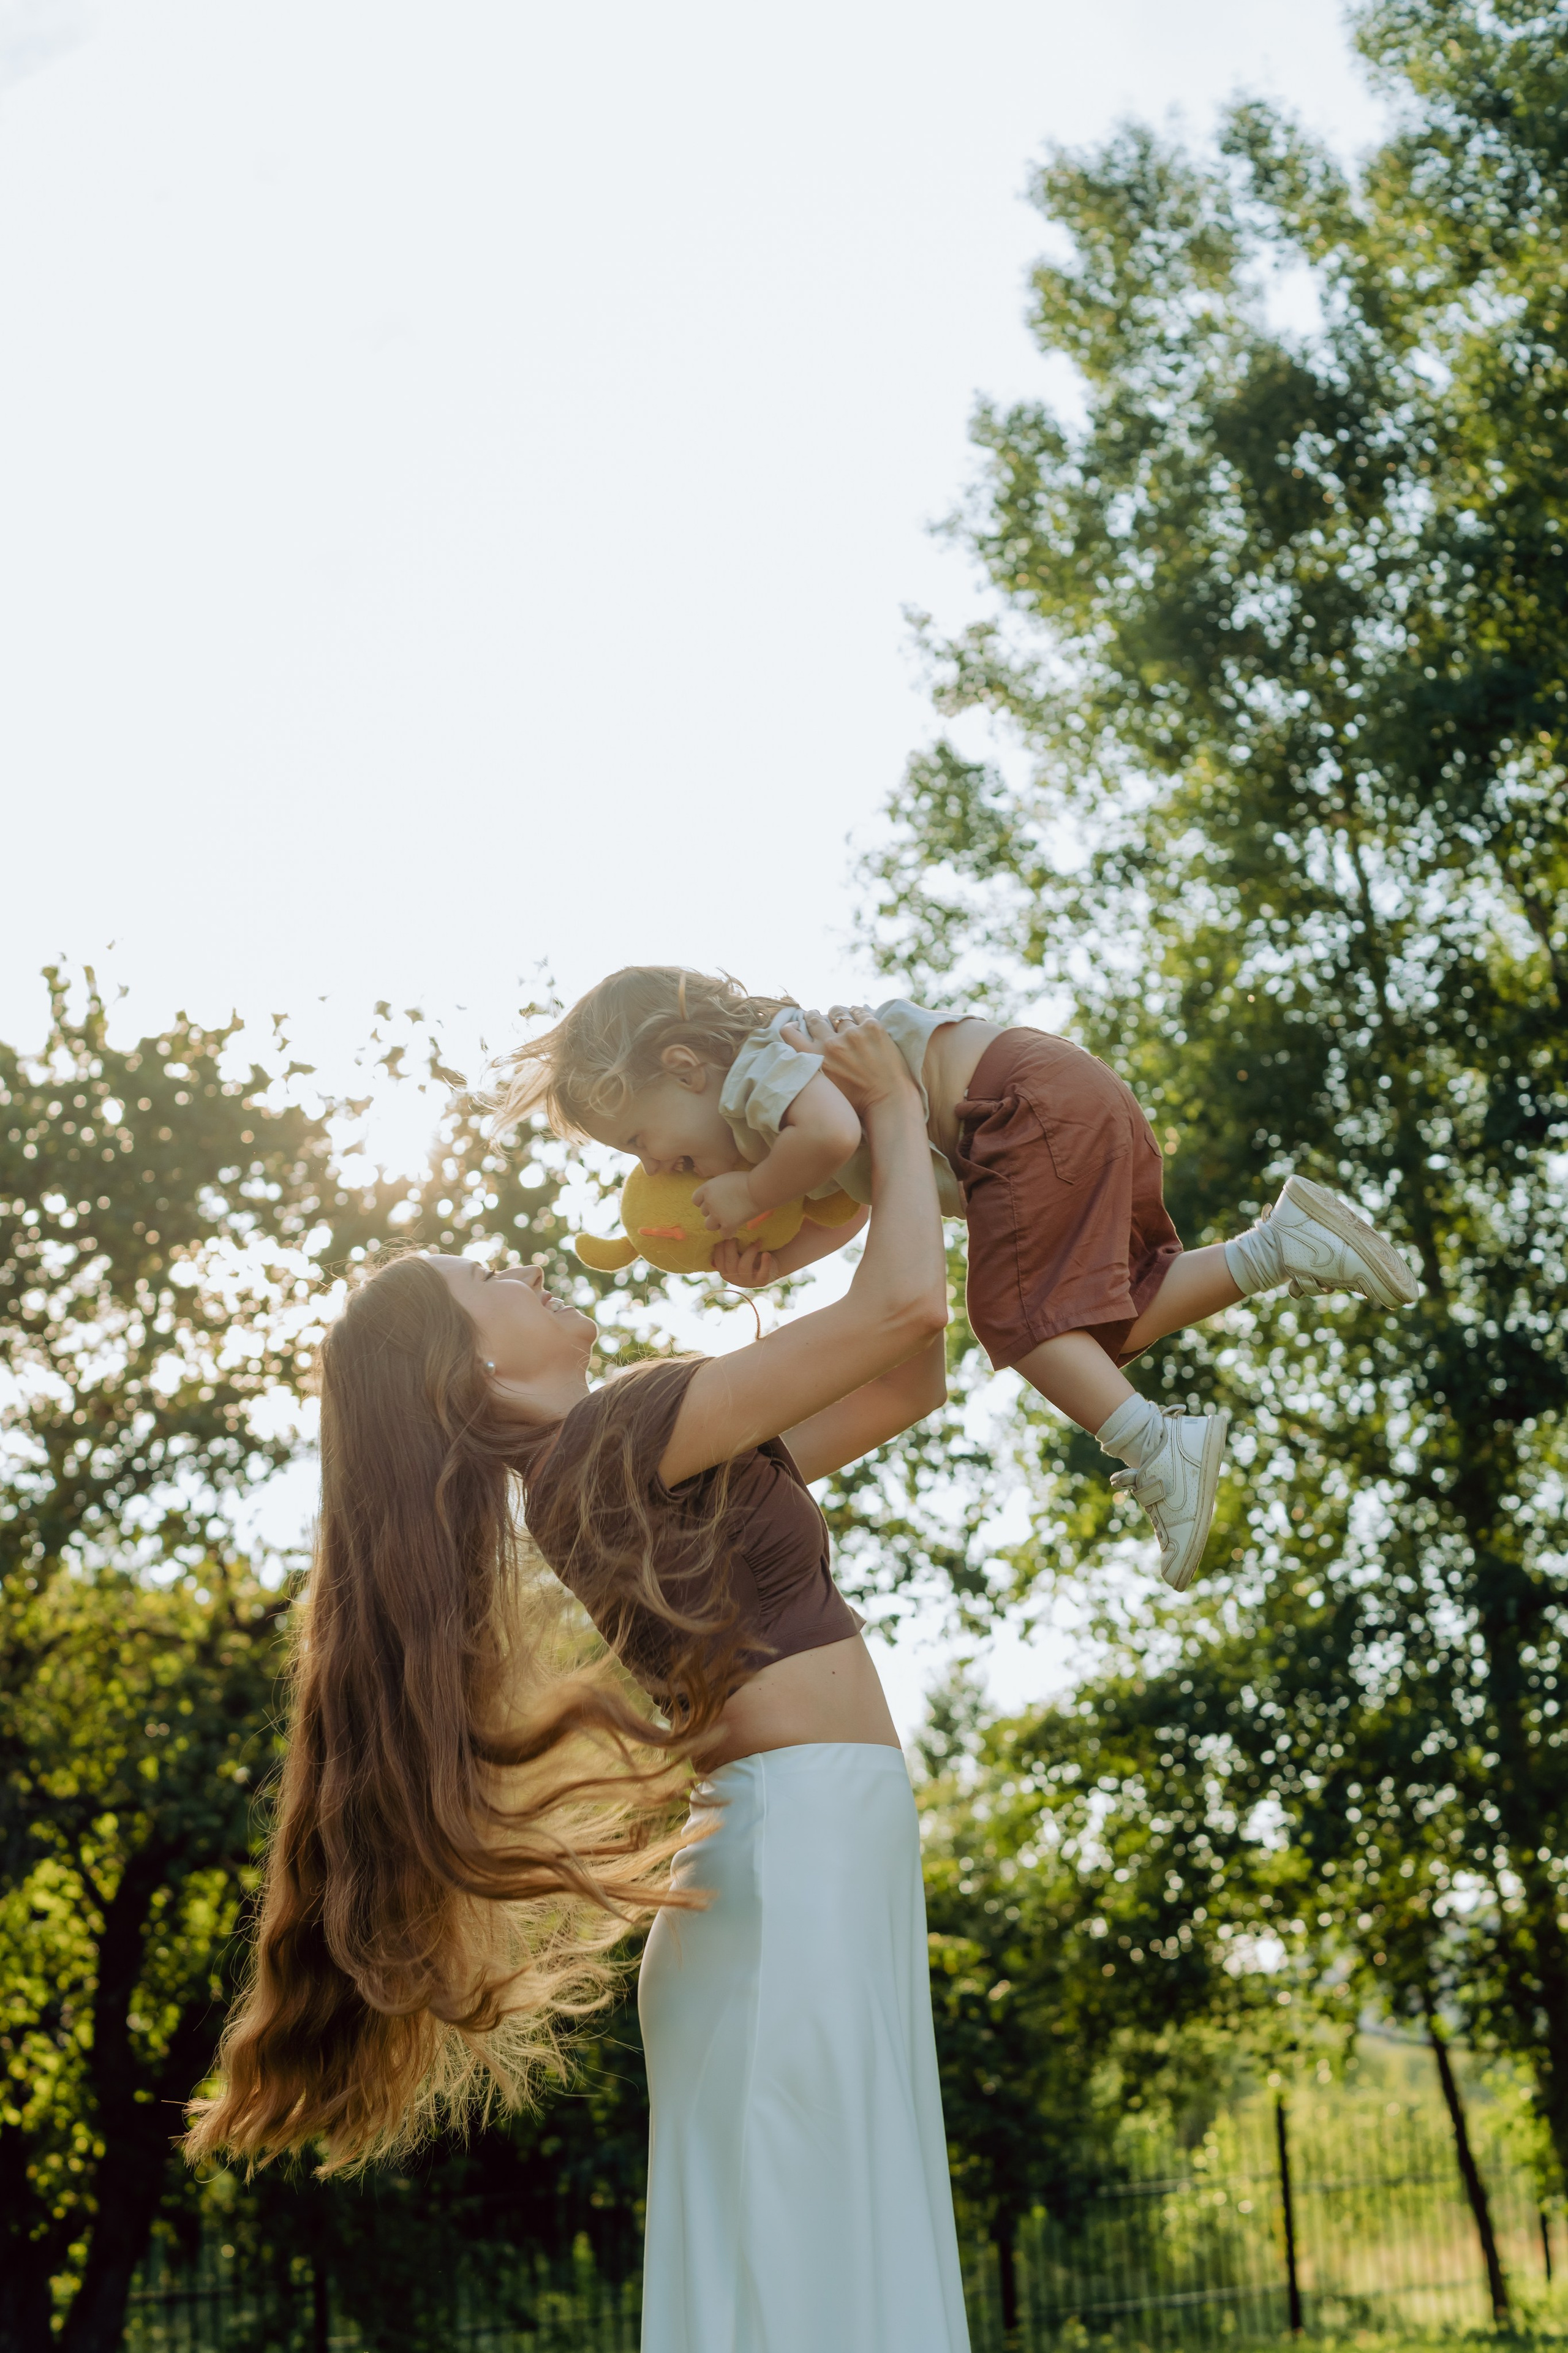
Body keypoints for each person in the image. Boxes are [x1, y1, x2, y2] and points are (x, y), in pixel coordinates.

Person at [187, 1010, 971, 2353]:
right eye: (486, 1271)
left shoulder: (608, 1460)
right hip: (796, 1860)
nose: (524, 1267)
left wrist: (810, 1219)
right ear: (474, 1363)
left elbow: (906, 1375)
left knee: (819, 2273)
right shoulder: (621, 1430)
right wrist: (889, 1114)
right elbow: (903, 1308)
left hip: (809, 1850)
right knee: (815, 2283)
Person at [497, 966, 1420, 1594]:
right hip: (1052, 1099)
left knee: (1013, 1320)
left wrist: (751, 1187)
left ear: (682, 1064)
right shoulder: (769, 1096)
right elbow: (859, 1196)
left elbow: (834, 1141)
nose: (654, 1162)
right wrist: (780, 1254)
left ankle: (1154, 1445)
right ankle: (1281, 1245)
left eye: (635, 1139)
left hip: (1015, 1109)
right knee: (1097, 1328)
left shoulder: (758, 1069)